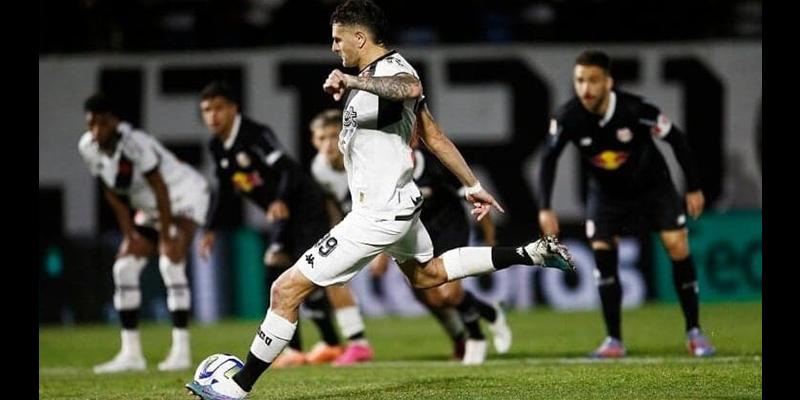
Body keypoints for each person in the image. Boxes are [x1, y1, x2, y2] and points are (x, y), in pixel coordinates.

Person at [186, 1, 573, 398]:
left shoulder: (391, 70)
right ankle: (531, 254)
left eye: (338, 39)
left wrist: (353, 82)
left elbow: (410, 87)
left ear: (359, 37)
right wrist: (473, 184)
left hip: (379, 212)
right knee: (429, 276)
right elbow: (434, 136)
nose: (335, 47)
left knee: (285, 290)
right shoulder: (373, 78)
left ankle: (237, 387)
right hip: (396, 205)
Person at [536, 50, 716, 358]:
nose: (585, 88)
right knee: (603, 254)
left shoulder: (636, 110)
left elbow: (677, 139)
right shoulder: (568, 118)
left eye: (593, 80)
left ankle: (694, 332)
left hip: (653, 188)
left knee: (677, 246)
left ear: (608, 82)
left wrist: (694, 187)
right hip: (606, 196)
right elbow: (549, 160)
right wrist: (545, 206)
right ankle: (614, 341)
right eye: (580, 81)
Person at [310, 109, 512, 365]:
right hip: (412, 228)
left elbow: (475, 197)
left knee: (448, 293)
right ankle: (488, 312)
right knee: (427, 293)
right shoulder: (340, 169)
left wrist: (490, 239)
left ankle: (475, 337)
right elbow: (359, 207)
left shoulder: (432, 165)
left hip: (447, 224)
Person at [197, 81, 373, 368]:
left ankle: (298, 349)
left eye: (218, 108)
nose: (213, 116)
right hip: (284, 215)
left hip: (303, 209)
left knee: (278, 269)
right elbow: (224, 188)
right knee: (307, 280)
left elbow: (288, 170)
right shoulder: (217, 146)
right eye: (206, 110)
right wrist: (211, 227)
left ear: (233, 109)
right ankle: (329, 343)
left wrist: (278, 199)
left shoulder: (255, 134)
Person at [78, 93, 208, 373]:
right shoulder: (87, 147)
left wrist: (165, 234)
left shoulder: (134, 143)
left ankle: (181, 351)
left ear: (115, 121)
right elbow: (109, 189)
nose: (96, 131)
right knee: (123, 267)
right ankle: (131, 354)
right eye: (91, 124)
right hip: (150, 207)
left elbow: (160, 186)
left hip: (184, 197)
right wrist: (129, 233)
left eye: (102, 123)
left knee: (169, 262)